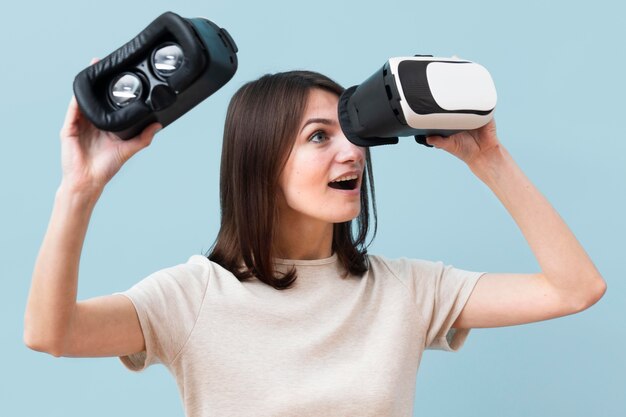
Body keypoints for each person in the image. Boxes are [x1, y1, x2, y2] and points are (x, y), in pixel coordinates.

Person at [24, 70, 606, 417]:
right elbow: (53, 335)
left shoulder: (406, 290)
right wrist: (78, 189)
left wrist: (490, 160)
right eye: (319, 136)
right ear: (259, 160)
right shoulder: (192, 296)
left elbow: (576, 288)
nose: (350, 151)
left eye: (351, 133)